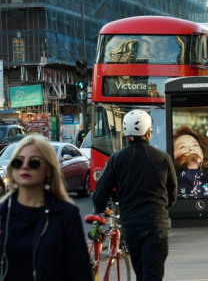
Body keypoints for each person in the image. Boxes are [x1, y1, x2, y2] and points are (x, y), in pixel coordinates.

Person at [93, 110, 177, 281]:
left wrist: (103, 209)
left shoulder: (116, 159)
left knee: (141, 274)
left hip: (131, 226)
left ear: (125, 133)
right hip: (156, 225)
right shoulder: (163, 158)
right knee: (152, 276)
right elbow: (172, 195)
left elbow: (99, 194)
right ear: (148, 133)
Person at [0, 135, 93, 281]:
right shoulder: (3, 213)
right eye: (18, 161)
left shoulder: (65, 214)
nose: (25, 166)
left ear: (49, 170)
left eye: (34, 162)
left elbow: (80, 272)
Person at [173, 126, 208, 199]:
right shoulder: (167, 182)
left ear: (202, 154)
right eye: (182, 147)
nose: (191, 148)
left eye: (195, 145)